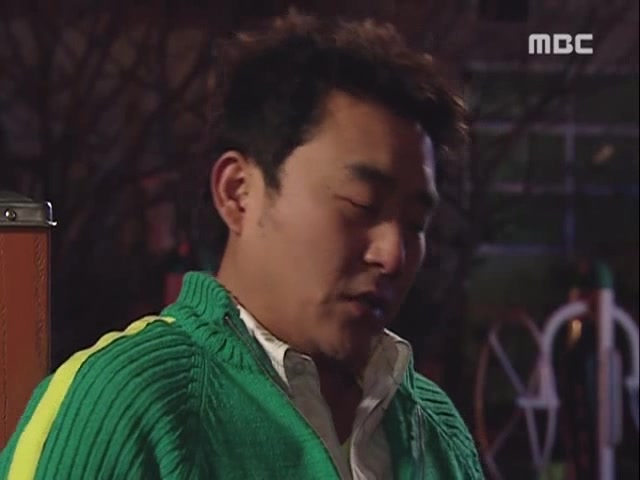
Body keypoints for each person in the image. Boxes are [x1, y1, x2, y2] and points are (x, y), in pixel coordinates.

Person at [0, 11, 483, 479]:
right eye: (360, 204)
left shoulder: (434, 428)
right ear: (238, 192)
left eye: (417, 223)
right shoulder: (123, 403)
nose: (393, 254)